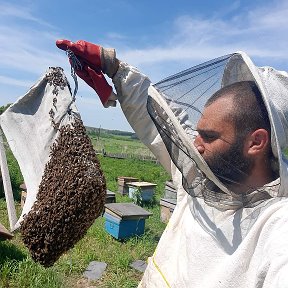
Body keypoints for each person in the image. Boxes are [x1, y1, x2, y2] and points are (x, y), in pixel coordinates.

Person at [56, 39, 288, 287]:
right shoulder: (200, 174)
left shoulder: (276, 225)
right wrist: (114, 68)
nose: (195, 145)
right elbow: (160, 122)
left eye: (209, 136)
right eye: (198, 134)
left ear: (256, 142)